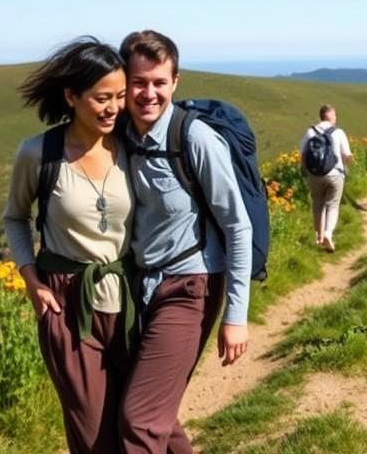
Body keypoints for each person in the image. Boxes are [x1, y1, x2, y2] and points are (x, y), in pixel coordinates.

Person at [118, 30, 252, 454]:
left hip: (190, 287)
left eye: (159, 82)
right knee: (157, 412)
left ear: (175, 82)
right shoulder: (123, 135)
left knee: (139, 420)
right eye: (138, 82)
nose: (148, 93)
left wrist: (236, 316)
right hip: (142, 287)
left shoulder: (194, 139)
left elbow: (238, 227)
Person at [3, 38, 135, 454]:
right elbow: (14, 217)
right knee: (93, 432)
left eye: (120, 96)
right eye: (101, 98)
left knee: (145, 423)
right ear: (71, 96)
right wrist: (31, 280)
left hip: (132, 301)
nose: (113, 107)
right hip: (67, 304)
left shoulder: (134, 147)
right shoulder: (39, 153)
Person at [299, 104, 353, 253]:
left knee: (317, 204)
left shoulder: (310, 131)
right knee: (333, 205)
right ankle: (328, 233)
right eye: (335, 115)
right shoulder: (338, 132)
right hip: (335, 174)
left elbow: (302, 154)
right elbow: (347, 155)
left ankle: (319, 237)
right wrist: (348, 166)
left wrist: (305, 170)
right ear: (331, 116)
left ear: (321, 116)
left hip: (315, 175)